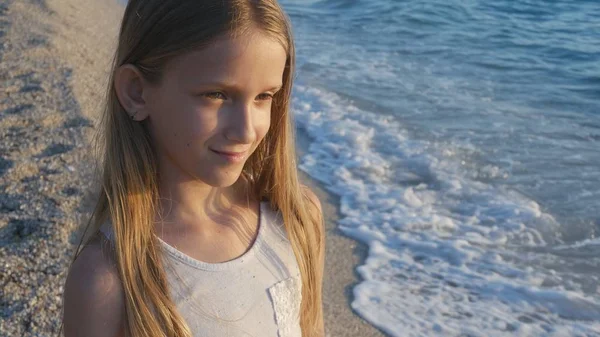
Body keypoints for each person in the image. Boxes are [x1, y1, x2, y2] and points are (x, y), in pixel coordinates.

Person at [60, 1, 325, 336]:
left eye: (264, 96)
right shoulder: (108, 279)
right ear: (136, 92)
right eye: (216, 95)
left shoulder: (297, 219)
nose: (245, 130)